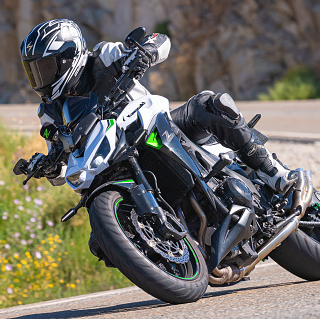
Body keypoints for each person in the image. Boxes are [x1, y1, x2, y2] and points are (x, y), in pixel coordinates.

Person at [20, 19, 294, 194]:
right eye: (35, 71)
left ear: (69, 56)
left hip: (156, 128)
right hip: (113, 160)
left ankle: (269, 170)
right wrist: (47, 166)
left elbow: (159, 41)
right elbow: (58, 154)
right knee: (99, 240)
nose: (41, 77)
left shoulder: (103, 58)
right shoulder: (50, 111)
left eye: (46, 67)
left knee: (207, 104)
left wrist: (145, 52)